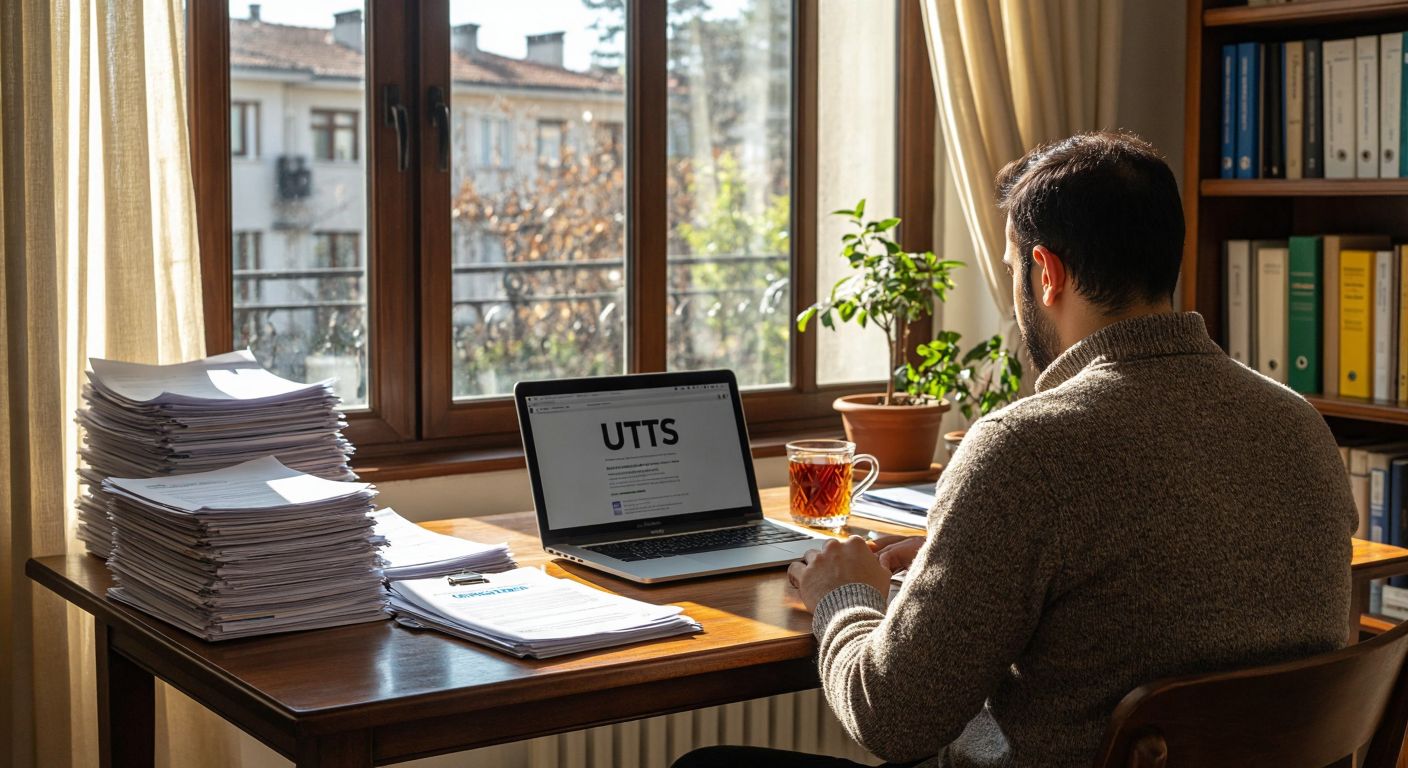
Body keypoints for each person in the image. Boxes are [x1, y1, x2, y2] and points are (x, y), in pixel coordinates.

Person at [672, 131, 1356, 768]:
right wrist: (966, 555)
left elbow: (890, 720)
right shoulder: (1301, 425)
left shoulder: (1027, 449)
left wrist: (844, 594)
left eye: (1011, 272)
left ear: (1046, 273)